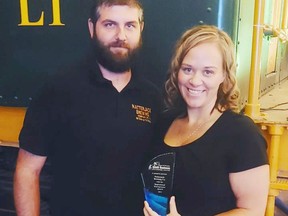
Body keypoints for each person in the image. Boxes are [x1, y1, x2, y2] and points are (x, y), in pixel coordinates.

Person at [13, 0, 162, 215]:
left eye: (130, 25)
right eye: (110, 24)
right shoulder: (58, 90)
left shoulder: (153, 98)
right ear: (92, 28)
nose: (121, 35)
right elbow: (27, 170)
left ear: (141, 29)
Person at [143, 25, 269, 216]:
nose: (194, 80)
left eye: (208, 72)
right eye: (187, 69)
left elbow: (252, 211)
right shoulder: (164, 122)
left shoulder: (242, 134)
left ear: (224, 76)